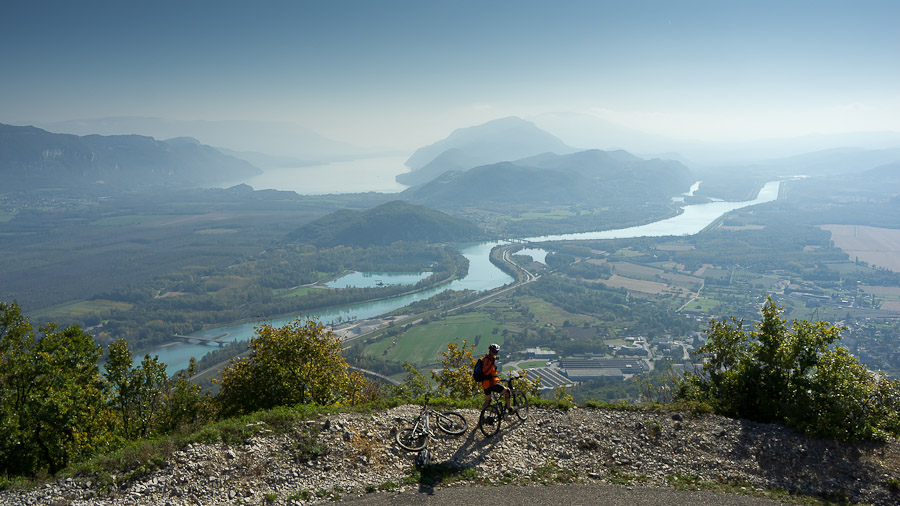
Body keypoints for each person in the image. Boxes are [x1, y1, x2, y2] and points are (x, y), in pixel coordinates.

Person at [481, 343, 512, 413]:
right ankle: (509, 409)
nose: (495, 353)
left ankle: (481, 418)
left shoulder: (486, 359)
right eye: (495, 352)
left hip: (485, 384)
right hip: (491, 383)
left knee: (488, 401)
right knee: (507, 391)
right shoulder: (489, 361)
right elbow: (486, 372)